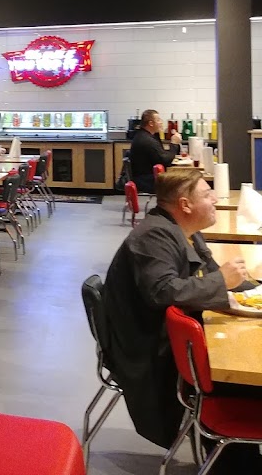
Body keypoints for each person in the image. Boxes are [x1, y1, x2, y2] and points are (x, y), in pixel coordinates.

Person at [102, 170, 251, 452]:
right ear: (185, 205)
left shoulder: (185, 232)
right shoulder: (154, 235)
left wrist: (250, 288)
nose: (215, 200)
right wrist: (222, 282)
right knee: (240, 369)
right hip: (147, 346)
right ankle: (232, 456)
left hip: (165, 335)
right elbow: (162, 291)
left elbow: (212, 274)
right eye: (207, 194)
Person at [130, 109, 183, 193]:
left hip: (146, 176)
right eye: (158, 120)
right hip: (146, 180)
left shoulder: (147, 136)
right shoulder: (147, 140)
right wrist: (174, 144)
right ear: (151, 123)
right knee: (182, 181)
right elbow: (165, 160)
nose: (161, 122)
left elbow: (162, 154)